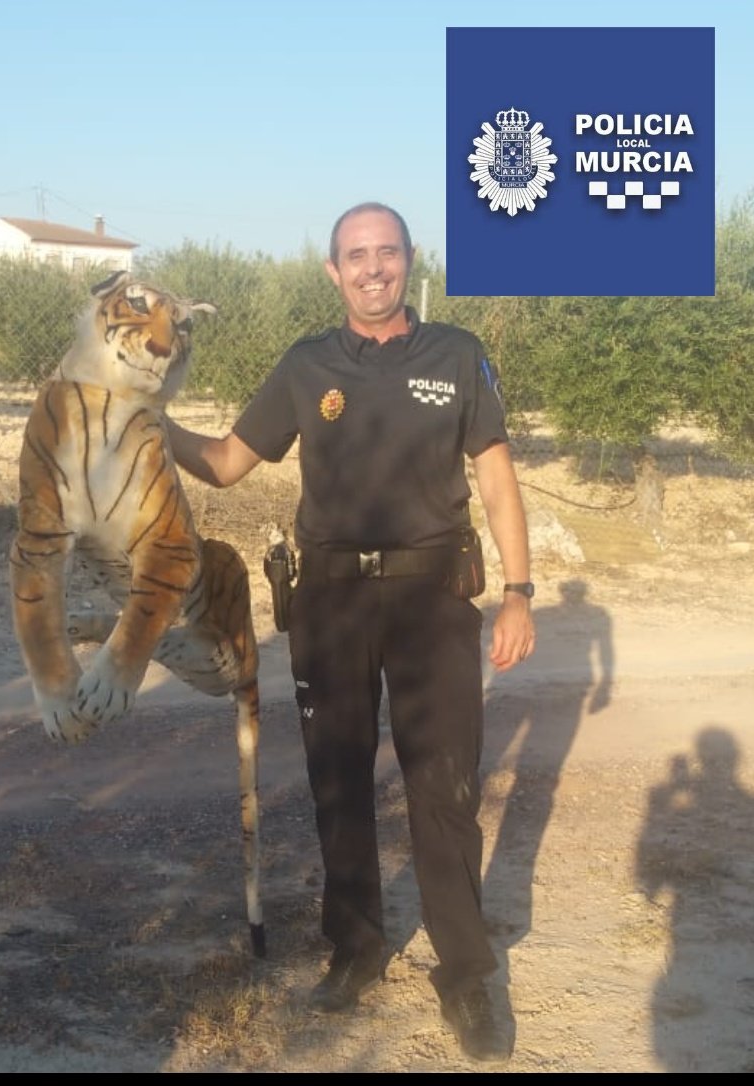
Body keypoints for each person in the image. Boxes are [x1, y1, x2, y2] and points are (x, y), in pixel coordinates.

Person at [166, 202, 535, 1063]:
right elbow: (226, 462)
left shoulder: (457, 355)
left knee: (443, 790)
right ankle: (356, 949)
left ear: (411, 261)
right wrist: (153, 425)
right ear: (332, 272)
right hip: (328, 603)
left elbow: (498, 482)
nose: (373, 268)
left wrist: (518, 591)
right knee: (338, 784)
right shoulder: (307, 365)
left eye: (387, 253)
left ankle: (467, 974)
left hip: (432, 602)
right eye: (355, 256)